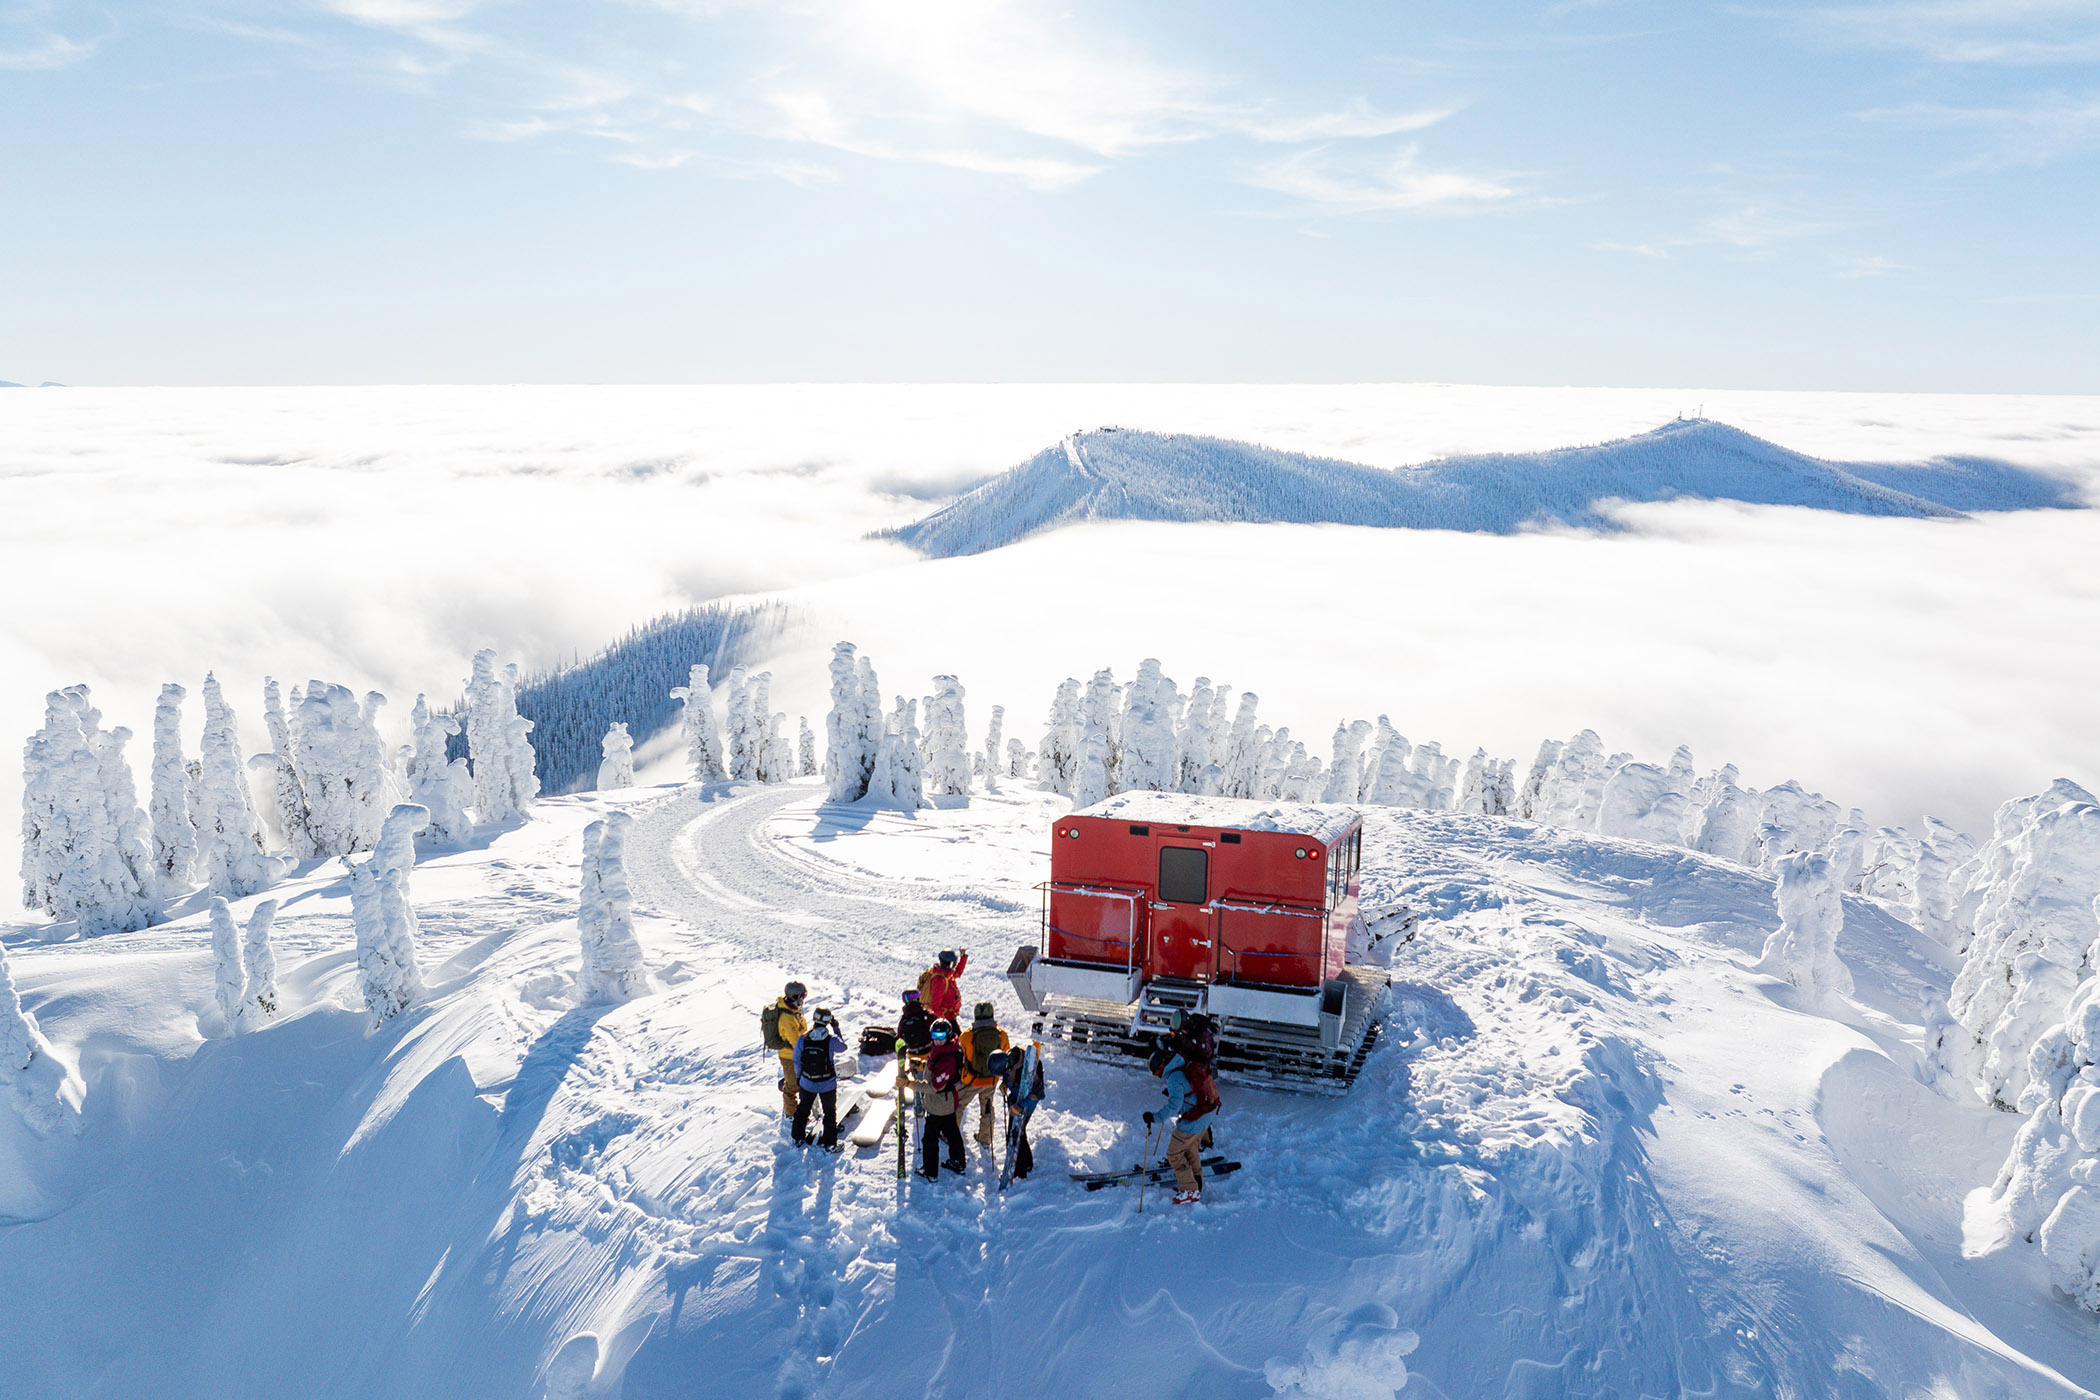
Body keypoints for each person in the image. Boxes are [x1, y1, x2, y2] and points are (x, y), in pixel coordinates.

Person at [1145, 1045, 1221, 1205]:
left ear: (1161, 1067)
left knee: (1174, 1153)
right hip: (1206, 1115)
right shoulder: (1182, 1066)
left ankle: (1190, 1190)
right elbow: (1187, 1093)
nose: (1159, 1076)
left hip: (1195, 1119)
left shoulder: (1173, 1078)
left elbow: (1174, 1107)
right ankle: (1196, 1184)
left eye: (1157, 1073)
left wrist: (1155, 1117)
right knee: (1190, 1149)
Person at [913, 1018, 968, 1179]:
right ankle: (958, 1162)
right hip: (948, 1102)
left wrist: (910, 1084)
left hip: (939, 1105)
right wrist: (923, 1065)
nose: (937, 1040)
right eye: (934, 1035)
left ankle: (930, 1172)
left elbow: (933, 1087)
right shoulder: (945, 1050)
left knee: (930, 1139)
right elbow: (936, 1071)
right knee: (952, 1133)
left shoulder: (946, 1058)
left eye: (941, 1035)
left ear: (949, 1035)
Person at [791, 1007, 849, 1150]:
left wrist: (799, 1077)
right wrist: (836, 1028)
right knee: (829, 1113)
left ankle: (797, 1138)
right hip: (827, 1084)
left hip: (807, 1082)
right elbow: (843, 1047)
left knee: (803, 1110)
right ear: (828, 1021)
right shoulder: (831, 1040)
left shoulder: (803, 1039)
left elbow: (796, 1060)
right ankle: (830, 1144)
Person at [958, 1001, 1010, 1148]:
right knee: (987, 1108)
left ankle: (952, 1134)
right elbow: (1005, 1056)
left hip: (971, 1080)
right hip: (991, 1080)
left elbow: (963, 1057)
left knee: (958, 1105)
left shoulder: (967, 1036)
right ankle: (985, 1138)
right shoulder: (1002, 1036)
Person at [763, 981, 810, 1120]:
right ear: (795, 996)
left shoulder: (794, 1010)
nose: (803, 999)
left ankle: (788, 1081)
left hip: (796, 1054)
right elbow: (797, 1042)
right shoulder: (787, 1018)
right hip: (789, 1057)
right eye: (802, 996)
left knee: (798, 1081)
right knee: (792, 1088)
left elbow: (803, 1028)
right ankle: (790, 1114)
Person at [1001, 1038, 1046, 1182]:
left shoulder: (1028, 1070)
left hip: (1027, 1103)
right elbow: (1006, 1074)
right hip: (1016, 1097)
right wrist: (1004, 1083)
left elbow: (1039, 1093)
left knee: (1014, 1134)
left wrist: (1020, 1106)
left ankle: (1019, 1171)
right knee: (1019, 1132)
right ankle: (1027, 1163)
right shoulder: (1007, 1061)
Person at [919, 948, 968, 1024]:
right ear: (950, 964)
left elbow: (958, 972)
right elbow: (935, 1005)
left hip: (950, 1015)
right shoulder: (940, 981)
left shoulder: (947, 974)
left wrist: (963, 958)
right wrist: (943, 1022)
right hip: (946, 1018)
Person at [896, 987, 934, 1056]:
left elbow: (900, 1036)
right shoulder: (926, 1015)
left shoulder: (904, 1018)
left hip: (912, 1053)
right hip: (928, 1051)